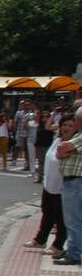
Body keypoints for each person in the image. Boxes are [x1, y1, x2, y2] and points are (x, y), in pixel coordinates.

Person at [31, 113, 71, 256]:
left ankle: (58, 245)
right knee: (47, 213)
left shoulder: (73, 143)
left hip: (63, 186)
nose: (66, 128)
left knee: (60, 217)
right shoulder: (57, 140)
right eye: (64, 125)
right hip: (49, 184)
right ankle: (40, 239)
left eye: (70, 125)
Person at [50, 106, 82, 266]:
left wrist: (65, 151)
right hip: (72, 181)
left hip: (76, 181)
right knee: (73, 219)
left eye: (75, 120)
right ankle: (73, 249)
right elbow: (59, 151)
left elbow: (62, 149)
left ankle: (74, 253)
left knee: (73, 220)